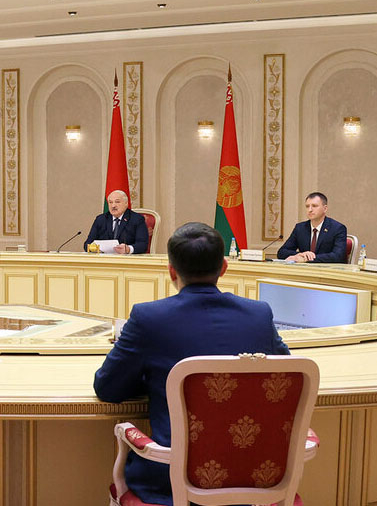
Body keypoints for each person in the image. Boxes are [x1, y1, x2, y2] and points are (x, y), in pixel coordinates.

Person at [94, 222, 289, 506]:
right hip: (254, 480)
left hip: (169, 485)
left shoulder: (148, 318)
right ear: (224, 268)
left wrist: (152, 378)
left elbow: (108, 388)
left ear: (171, 271)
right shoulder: (259, 314)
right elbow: (286, 375)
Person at [277, 192, 348, 263]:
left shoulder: (337, 228)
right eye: (307, 206)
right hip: (304, 269)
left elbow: (338, 256)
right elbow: (281, 252)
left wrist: (308, 259)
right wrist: (300, 255)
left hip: (327, 269)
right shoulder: (300, 228)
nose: (310, 210)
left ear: (325, 209)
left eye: (314, 206)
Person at [83, 190, 149, 254]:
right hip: (104, 259)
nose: (113, 206)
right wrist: (95, 248)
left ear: (126, 203)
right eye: (110, 202)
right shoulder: (101, 219)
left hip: (127, 259)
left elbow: (143, 245)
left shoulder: (137, 219)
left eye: (117, 202)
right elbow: (87, 244)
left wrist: (128, 249)